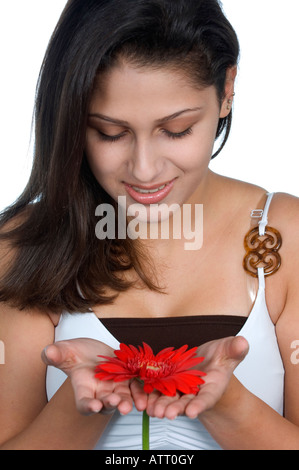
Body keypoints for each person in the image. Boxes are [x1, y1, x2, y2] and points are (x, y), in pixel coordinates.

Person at [0, 0, 299, 451]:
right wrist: (83, 407)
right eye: (109, 132)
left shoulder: (287, 237)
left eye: (176, 130)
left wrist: (232, 408)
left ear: (227, 91)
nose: (143, 170)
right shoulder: (23, 246)